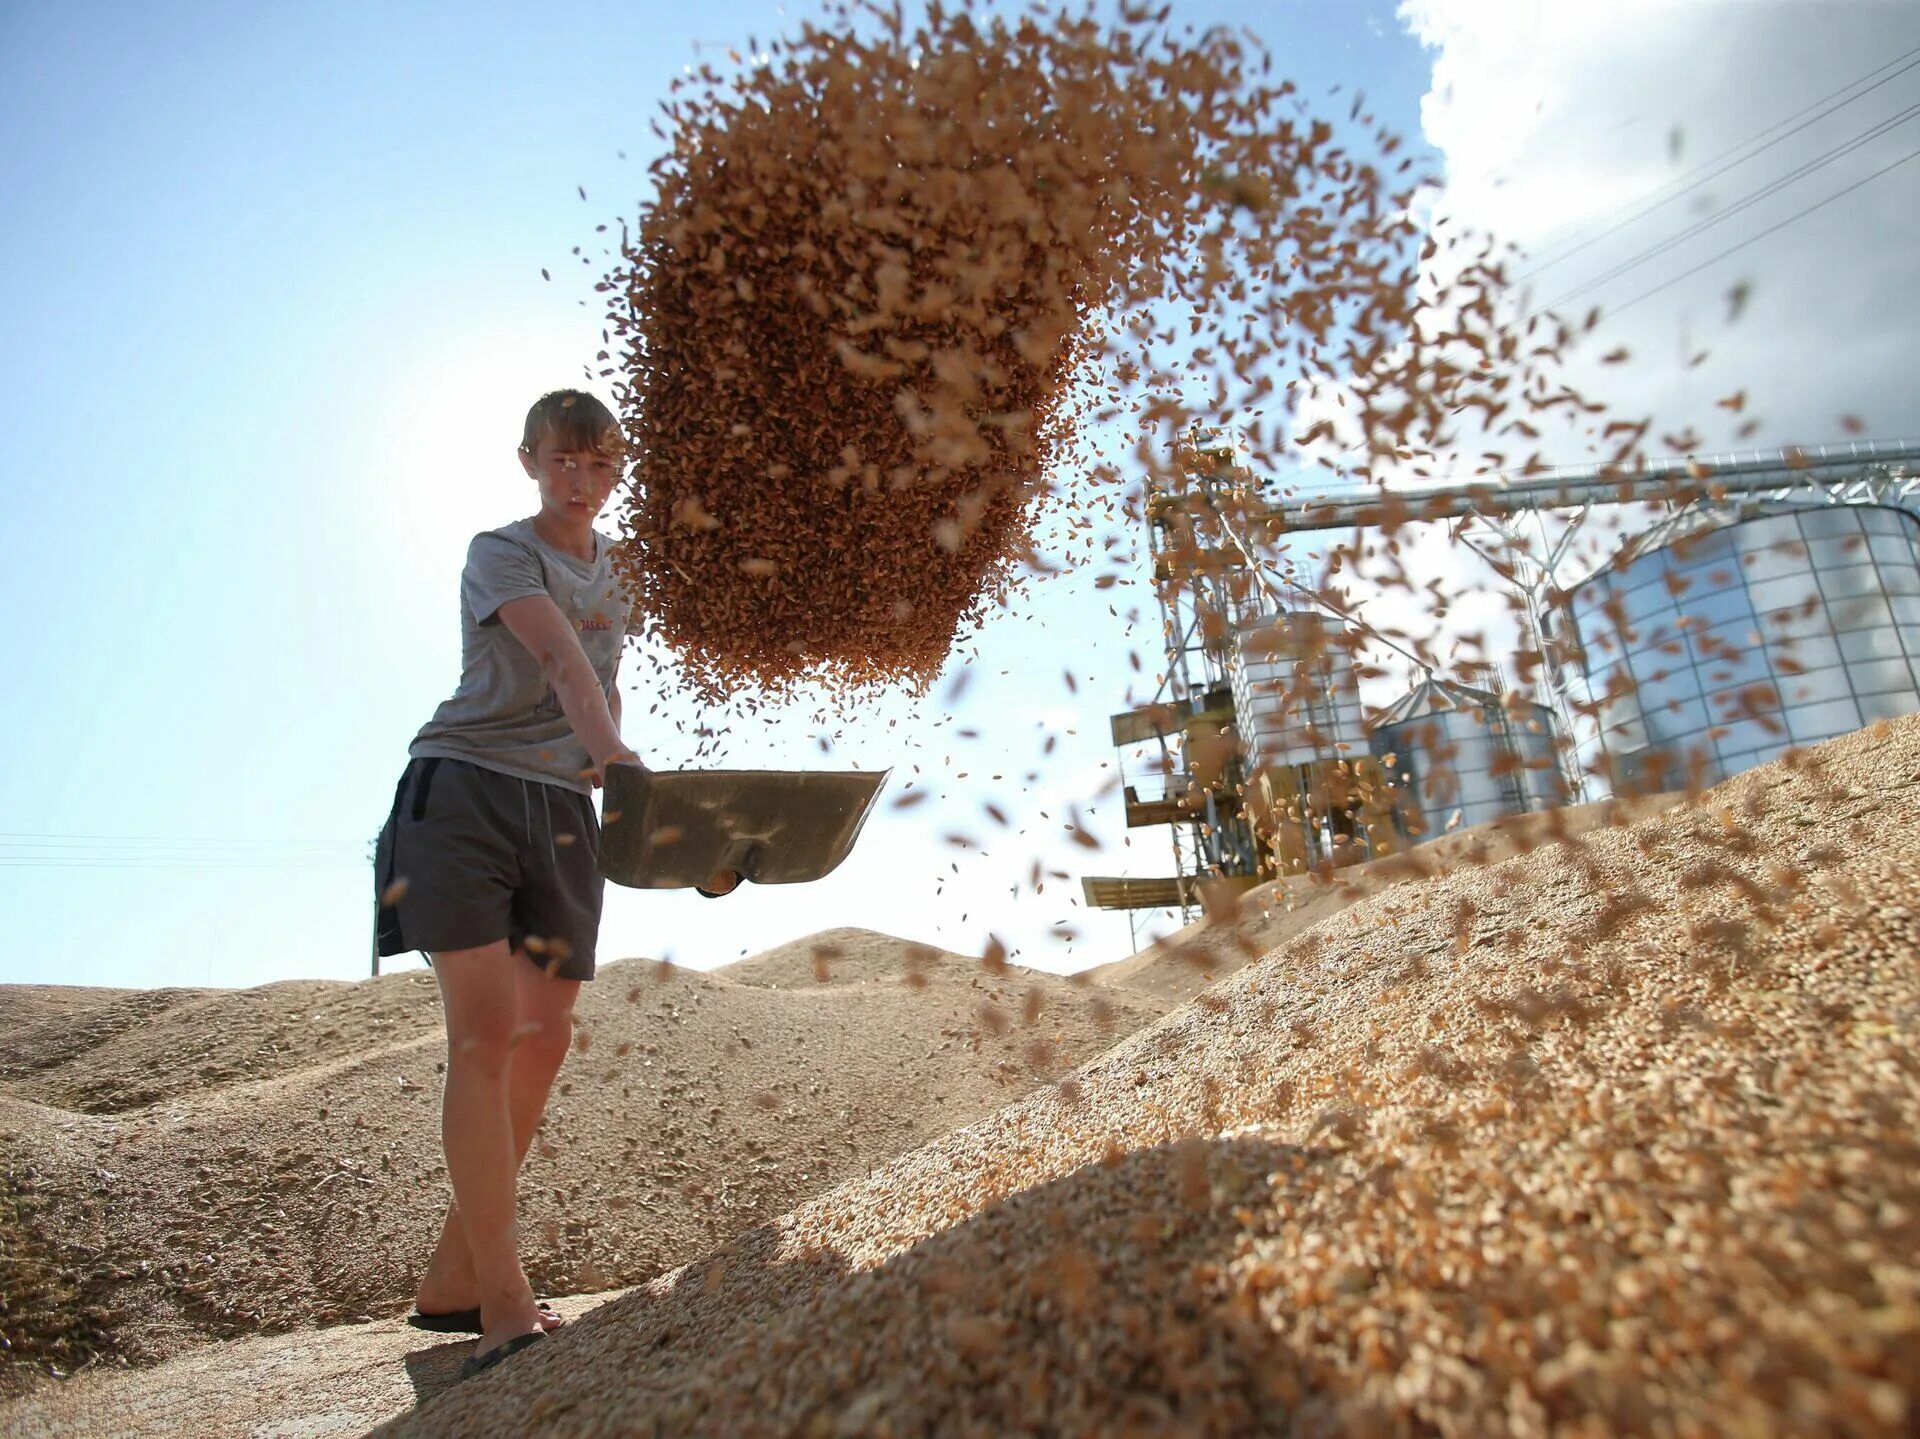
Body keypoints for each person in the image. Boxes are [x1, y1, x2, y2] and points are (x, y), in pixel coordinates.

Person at [371, 388, 737, 1381]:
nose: (581, 480)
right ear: (530, 460)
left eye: (600, 463)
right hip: (466, 793)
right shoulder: (501, 552)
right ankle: (502, 1305)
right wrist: (617, 756)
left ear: (619, 469)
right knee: (485, 1033)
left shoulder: (626, 570)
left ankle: (455, 1274)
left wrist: (645, 808)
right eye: (563, 460)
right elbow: (560, 658)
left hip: (563, 805)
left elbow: (604, 675)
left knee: (545, 1034)